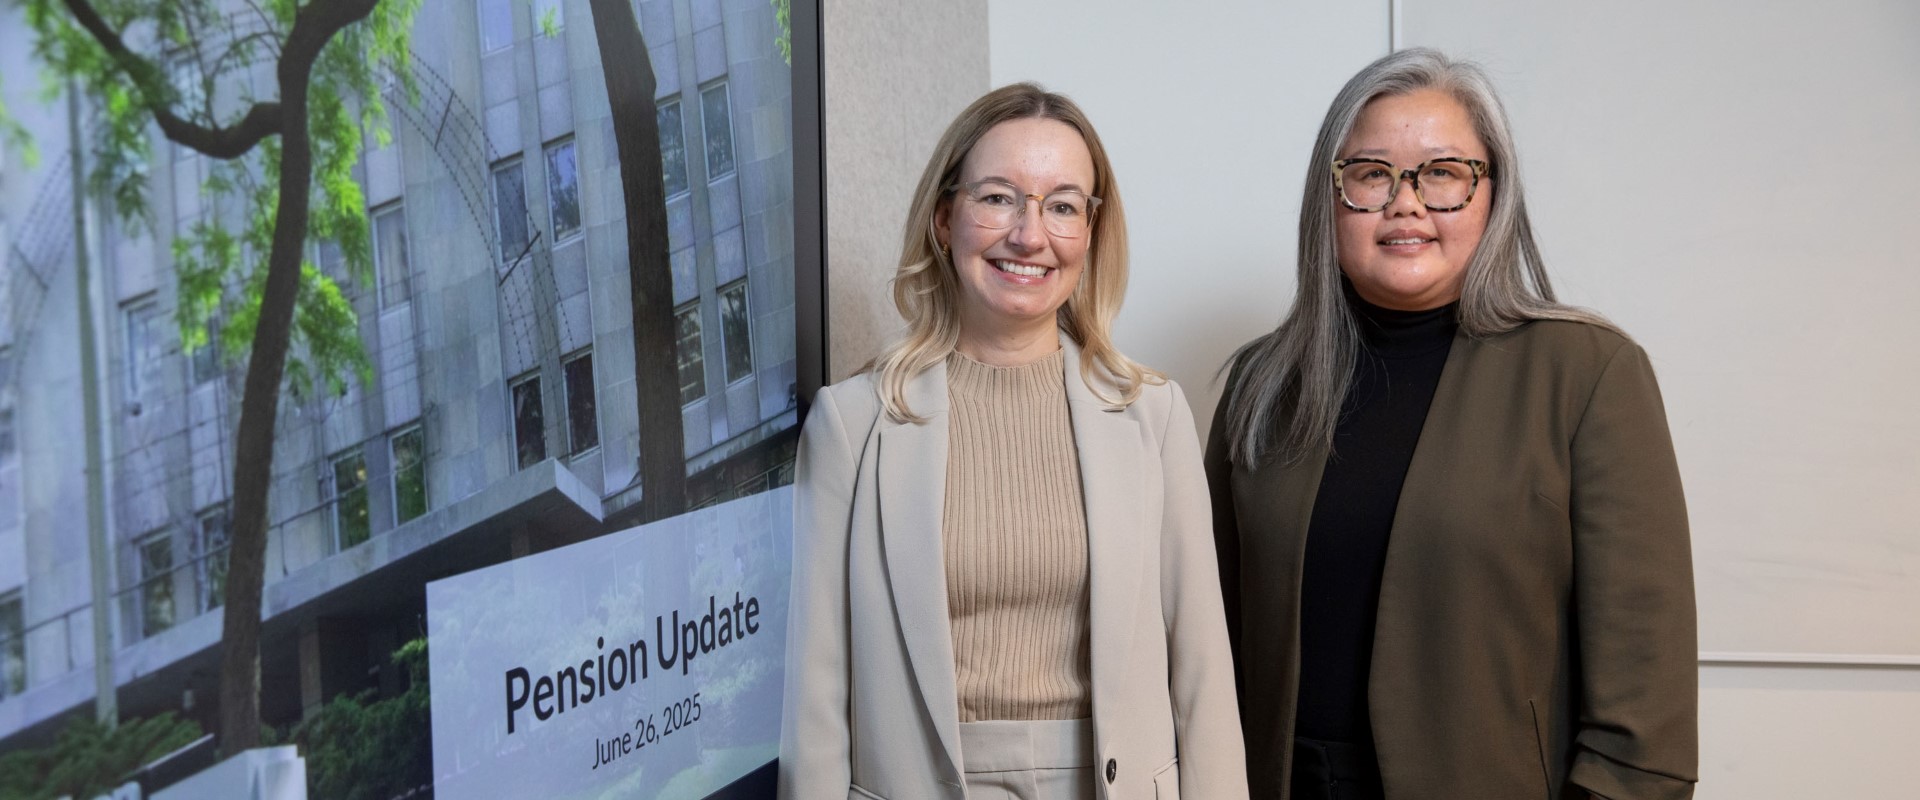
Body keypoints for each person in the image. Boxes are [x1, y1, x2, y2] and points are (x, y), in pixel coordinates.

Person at [1207, 49, 1697, 800]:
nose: (1406, 203)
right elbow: (1211, 646)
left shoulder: (1588, 374)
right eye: (1371, 173)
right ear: (1329, 198)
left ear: (1492, 195)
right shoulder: (1263, 385)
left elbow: (1645, 716)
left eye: (1443, 173)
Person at [780, 83, 1248, 800]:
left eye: (1062, 206)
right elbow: (815, 696)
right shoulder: (854, 424)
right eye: (998, 198)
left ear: (1090, 232)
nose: (1030, 236)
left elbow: (1203, 673)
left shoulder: (1152, 414)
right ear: (945, 217)